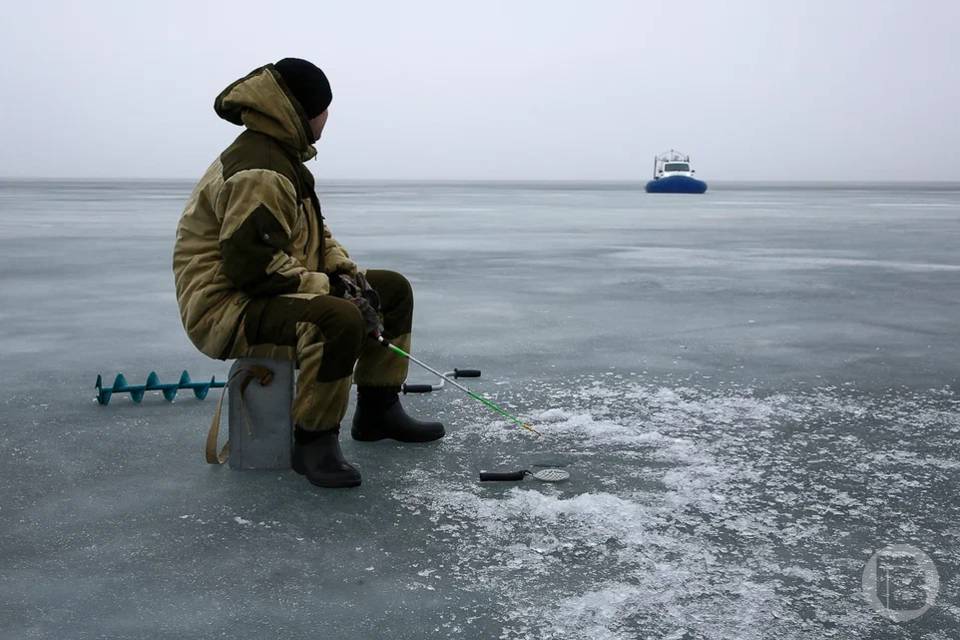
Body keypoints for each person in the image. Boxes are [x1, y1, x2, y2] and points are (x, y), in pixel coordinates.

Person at [173, 58, 443, 489]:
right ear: (301, 111)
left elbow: (315, 236)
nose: (327, 117)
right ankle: (313, 439)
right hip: (227, 308)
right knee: (337, 317)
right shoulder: (260, 170)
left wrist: (347, 275)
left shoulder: (282, 159)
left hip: (265, 290)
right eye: (324, 108)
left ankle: (378, 411)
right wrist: (334, 291)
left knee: (389, 290)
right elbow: (253, 268)